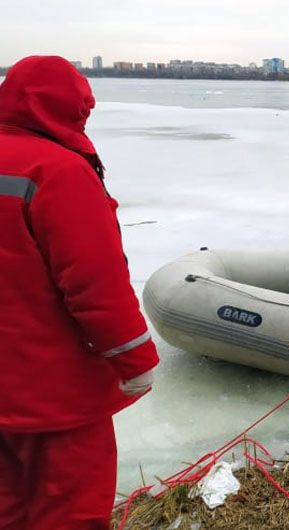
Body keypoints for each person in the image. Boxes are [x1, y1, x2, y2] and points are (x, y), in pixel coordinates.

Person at [0, 56, 159, 530]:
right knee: (71, 511)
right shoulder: (58, 172)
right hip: (55, 394)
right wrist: (135, 359)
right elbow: (94, 282)